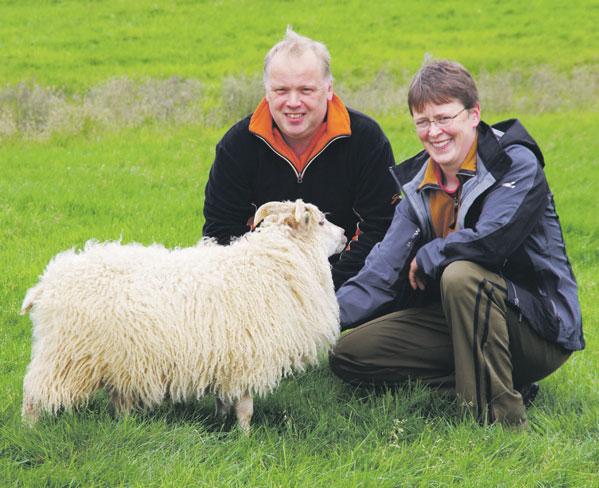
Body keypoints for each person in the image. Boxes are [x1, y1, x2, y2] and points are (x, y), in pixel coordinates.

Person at [330, 60, 584, 428]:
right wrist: (312, 322)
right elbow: (379, 275)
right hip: (460, 319)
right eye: (422, 122)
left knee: (460, 273)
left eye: (444, 117)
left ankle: (499, 420)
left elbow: (492, 241)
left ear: (474, 114)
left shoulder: (515, 163)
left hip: (537, 329)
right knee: (350, 355)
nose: (434, 132)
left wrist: (433, 253)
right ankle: (499, 384)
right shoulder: (418, 185)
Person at [202, 27, 397, 289]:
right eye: (281, 90)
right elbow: (221, 234)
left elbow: (381, 228)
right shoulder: (237, 146)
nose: (293, 102)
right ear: (267, 91)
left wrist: (323, 292)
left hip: (347, 283)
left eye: (306, 90)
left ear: (328, 89)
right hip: (262, 288)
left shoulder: (366, 140)